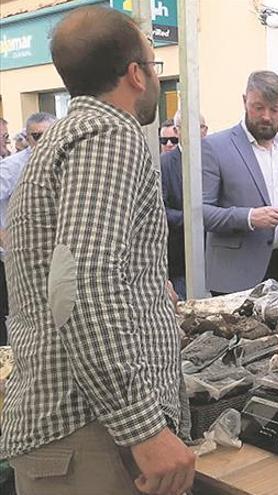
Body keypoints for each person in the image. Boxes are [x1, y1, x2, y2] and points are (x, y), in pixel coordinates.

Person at [0, 6, 195, 495]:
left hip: (79, 435)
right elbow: (82, 284)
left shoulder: (66, 137)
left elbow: (75, 270)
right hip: (90, 438)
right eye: (154, 66)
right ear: (135, 74)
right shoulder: (108, 133)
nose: (154, 76)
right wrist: (144, 428)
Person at [202, 71, 278, 297]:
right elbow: (201, 212)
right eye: (258, 107)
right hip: (234, 277)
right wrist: (249, 218)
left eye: (274, 110)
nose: (266, 116)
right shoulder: (214, 147)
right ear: (244, 101)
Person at [0, 112, 57, 344]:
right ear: (28, 137)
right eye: (36, 136)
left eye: (49, 134)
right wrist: (3, 235)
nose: (43, 141)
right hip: (18, 260)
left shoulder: (65, 160)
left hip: (52, 256)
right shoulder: (12, 167)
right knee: (25, 320)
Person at [160, 109, 209, 299]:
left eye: (200, 128)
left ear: (205, 130)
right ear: (177, 130)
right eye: (187, 128)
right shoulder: (164, 164)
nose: (195, 133)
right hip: (181, 254)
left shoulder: (216, 157)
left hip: (216, 253)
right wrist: (190, 218)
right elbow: (161, 209)